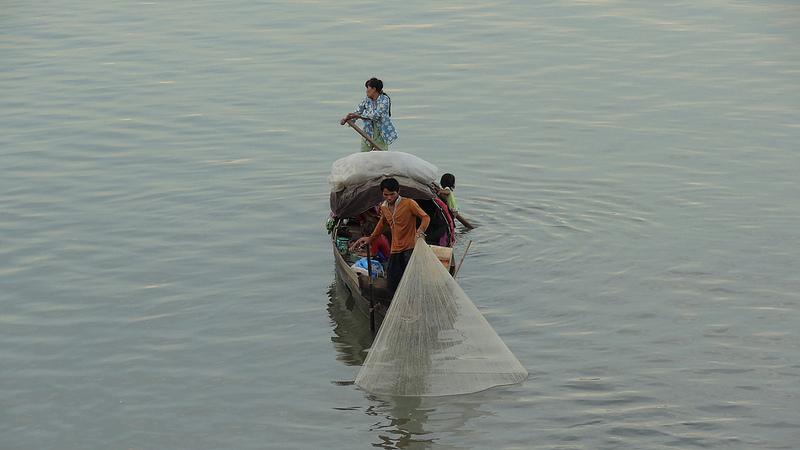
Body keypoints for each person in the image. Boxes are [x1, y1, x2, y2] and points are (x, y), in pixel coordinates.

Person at [351, 178, 429, 295]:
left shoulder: (409, 203)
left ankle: (413, 300)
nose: (389, 197)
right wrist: (371, 238)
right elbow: (382, 223)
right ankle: (396, 302)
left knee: (411, 278)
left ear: (398, 191)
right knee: (393, 281)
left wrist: (420, 231)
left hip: (409, 247)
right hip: (395, 248)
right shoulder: (384, 207)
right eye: (386, 194)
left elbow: (425, 217)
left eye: (392, 194)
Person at [340, 77, 398, 151]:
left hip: (381, 133)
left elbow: (376, 115)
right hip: (368, 131)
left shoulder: (385, 100)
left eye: (368, 88)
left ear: (374, 89)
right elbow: (358, 111)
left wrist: (359, 116)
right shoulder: (366, 100)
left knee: (381, 157)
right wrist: (347, 119)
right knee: (364, 154)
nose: (367, 91)